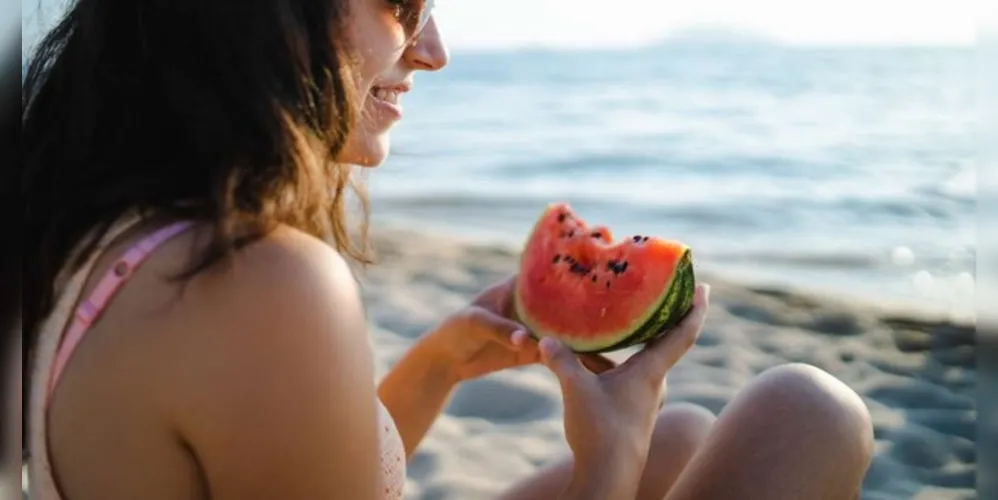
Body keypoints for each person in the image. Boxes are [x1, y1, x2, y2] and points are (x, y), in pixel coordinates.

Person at [21, 0, 875, 498]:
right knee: (808, 411)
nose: (433, 50)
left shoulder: (99, 224)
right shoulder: (257, 284)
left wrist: (436, 363)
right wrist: (607, 461)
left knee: (685, 436)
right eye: (404, 4)